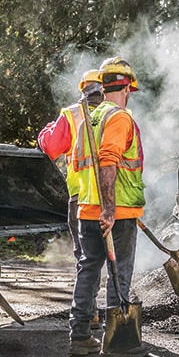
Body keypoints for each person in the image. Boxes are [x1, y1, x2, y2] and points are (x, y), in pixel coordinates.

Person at [68, 57, 148, 357]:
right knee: (119, 273)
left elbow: (77, 165)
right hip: (114, 213)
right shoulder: (119, 117)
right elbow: (110, 161)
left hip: (87, 208)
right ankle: (118, 343)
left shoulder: (88, 119)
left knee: (87, 270)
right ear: (127, 88)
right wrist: (111, 209)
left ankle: (79, 336)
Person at [38, 69, 105, 270]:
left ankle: (88, 299)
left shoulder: (72, 114)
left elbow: (50, 148)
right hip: (114, 196)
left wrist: (47, 130)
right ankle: (116, 296)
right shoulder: (118, 113)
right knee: (116, 252)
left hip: (82, 196)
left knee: (86, 255)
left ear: (83, 89)